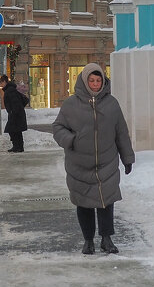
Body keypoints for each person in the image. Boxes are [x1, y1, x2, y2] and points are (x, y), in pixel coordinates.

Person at [52, 63, 135, 255]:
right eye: (92, 80)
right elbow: (58, 128)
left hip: (107, 162)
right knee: (84, 203)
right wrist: (71, 140)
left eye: (99, 80)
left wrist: (127, 157)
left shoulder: (112, 103)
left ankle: (107, 239)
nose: (96, 84)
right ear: (84, 81)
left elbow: (121, 132)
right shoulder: (71, 104)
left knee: (106, 202)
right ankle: (88, 241)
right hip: (79, 164)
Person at [0, 74, 29, 153]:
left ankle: (17, 146)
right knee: (16, 130)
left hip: (15, 114)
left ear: (4, 82)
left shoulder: (10, 90)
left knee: (13, 130)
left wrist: (13, 112)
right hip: (17, 113)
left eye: (1, 83)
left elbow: (15, 102)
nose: (1, 85)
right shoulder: (11, 89)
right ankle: (19, 147)